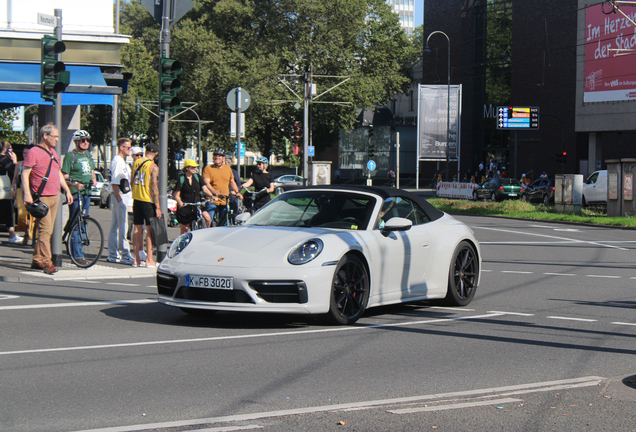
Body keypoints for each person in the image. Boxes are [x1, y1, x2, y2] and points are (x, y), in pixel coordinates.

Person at [21, 124, 74, 274]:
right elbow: (25, 174)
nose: (57, 139)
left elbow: (57, 173)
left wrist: (67, 190)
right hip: (42, 198)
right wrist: (27, 194)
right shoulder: (33, 152)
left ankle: (37, 259)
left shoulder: (53, 153)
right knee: (45, 231)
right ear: (45, 136)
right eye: (55, 136)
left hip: (54, 196)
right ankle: (47, 263)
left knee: (47, 231)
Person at [62, 130, 97, 265]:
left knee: (84, 222)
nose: (86, 142)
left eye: (87, 140)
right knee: (77, 223)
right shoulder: (70, 156)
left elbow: (92, 171)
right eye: (83, 140)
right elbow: (64, 176)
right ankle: (77, 255)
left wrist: (93, 179)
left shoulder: (88, 154)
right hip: (76, 194)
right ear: (76, 142)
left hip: (87, 193)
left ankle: (75, 247)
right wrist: (74, 184)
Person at [107, 138, 135, 265]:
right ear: (121, 147)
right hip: (120, 196)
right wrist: (119, 198)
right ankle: (124, 253)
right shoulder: (118, 161)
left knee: (116, 226)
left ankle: (113, 254)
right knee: (123, 226)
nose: (130, 150)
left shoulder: (122, 161)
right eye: (128, 147)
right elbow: (115, 181)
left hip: (123, 196)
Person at [132, 143, 160, 267]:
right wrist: (158, 207)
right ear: (157, 154)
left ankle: (136, 259)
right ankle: (149, 259)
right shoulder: (153, 167)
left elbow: (131, 180)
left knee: (137, 228)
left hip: (136, 198)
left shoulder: (136, 162)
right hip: (148, 200)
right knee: (150, 229)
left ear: (145, 150)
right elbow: (154, 187)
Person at [201, 148, 241, 227]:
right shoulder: (208, 169)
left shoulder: (227, 168)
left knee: (225, 222)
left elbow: (232, 182)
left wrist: (237, 192)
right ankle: (206, 232)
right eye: (215, 155)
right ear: (213, 158)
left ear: (223, 158)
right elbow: (206, 183)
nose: (217, 157)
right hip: (212, 199)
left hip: (224, 199)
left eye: (219, 156)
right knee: (208, 219)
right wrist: (213, 191)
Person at [174, 158, 210, 233]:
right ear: (187, 168)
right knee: (184, 229)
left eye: (195, 167)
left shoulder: (197, 177)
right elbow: (176, 194)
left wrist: (212, 196)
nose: (194, 169)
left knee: (207, 218)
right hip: (185, 207)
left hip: (196, 205)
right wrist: (180, 202)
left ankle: (206, 233)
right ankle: (183, 243)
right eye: (192, 167)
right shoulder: (181, 179)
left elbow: (205, 189)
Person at [0, 141, 22, 243]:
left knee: (8, 211)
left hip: (4, 189)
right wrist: (15, 161)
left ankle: (12, 233)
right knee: (8, 211)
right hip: (4, 189)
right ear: (5, 150)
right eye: (10, 148)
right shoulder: (4, 160)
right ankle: (12, 234)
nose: (12, 150)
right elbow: (14, 171)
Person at [11, 146, 33, 243]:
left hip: (32, 190)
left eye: (27, 153)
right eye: (24, 153)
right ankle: (26, 231)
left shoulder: (34, 164)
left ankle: (31, 235)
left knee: (33, 215)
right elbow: (15, 177)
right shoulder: (20, 164)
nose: (25, 155)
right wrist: (12, 188)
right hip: (21, 190)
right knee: (21, 213)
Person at [224, 151, 241, 224]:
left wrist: (235, 192)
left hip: (232, 196)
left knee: (234, 210)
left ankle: (234, 221)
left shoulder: (234, 172)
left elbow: (238, 184)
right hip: (223, 196)